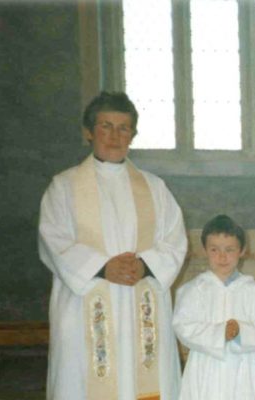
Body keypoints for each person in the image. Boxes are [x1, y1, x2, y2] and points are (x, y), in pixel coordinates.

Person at [38, 92, 187, 400]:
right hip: (84, 307)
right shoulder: (63, 187)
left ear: (133, 134)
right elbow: (53, 240)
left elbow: (174, 241)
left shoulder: (154, 187)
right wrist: (103, 267)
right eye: (106, 126)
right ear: (89, 131)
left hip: (142, 301)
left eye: (124, 127)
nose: (115, 135)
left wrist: (144, 265)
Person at [172, 214, 255, 400]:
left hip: (244, 367)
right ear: (205, 250)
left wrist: (240, 332)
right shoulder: (194, 289)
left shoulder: (252, 290)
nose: (222, 256)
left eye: (229, 249)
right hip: (204, 365)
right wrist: (220, 332)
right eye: (214, 249)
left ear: (242, 251)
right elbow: (183, 325)